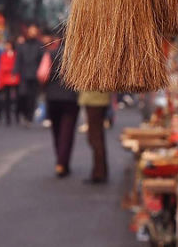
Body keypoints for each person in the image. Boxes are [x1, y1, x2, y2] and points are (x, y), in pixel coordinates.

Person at [41, 39, 79, 177]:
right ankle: (63, 163)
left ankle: (60, 160)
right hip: (70, 97)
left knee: (56, 130)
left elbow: (42, 75)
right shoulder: (76, 55)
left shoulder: (50, 53)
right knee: (67, 132)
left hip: (52, 97)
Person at [14, 26, 44, 125]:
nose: (32, 33)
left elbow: (42, 60)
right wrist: (15, 71)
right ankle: (22, 112)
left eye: (34, 32)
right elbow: (18, 59)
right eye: (31, 31)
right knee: (22, 95)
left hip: (34, 74)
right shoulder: (22, 46)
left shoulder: (39, 45)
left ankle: (29, 117)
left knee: (32, 97)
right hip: (24, 74)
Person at [79, 90, 111, 184]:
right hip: (98, 98)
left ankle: (99, 172)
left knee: (95, 137)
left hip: (94, 99)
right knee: (97, 136)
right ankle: (101, 171)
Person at [0, 41, 20, 126]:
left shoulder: (16, 55)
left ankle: (17, 116)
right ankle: (8, 117)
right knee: (6, 100)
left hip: (14, 78)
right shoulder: (3, 55)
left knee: (16, 99)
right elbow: (1, 68)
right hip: (6, 79)